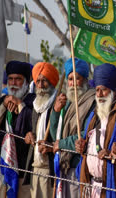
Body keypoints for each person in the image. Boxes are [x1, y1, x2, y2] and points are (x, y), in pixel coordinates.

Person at [75, 63, 116, 198]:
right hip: (90, 185)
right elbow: (87, 139)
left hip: (109, 186)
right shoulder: (94, 114)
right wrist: (82, 145)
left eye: (103, 90)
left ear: (113, 90)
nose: (99, 94)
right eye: (97, 90)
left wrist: (114, 151)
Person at [49, 58, 96, 198]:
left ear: (85, 80)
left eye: (77, 78)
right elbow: (55, 135)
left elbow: (87, 133)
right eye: (70, 79)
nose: (73, 83)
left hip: (79, 167)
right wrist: (56, 112)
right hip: (65, 166)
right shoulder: (68, 103)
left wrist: (62, 144)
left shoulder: (92, 100)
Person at [0, 61, 35, 198]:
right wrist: (4, 106)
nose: (13, 83)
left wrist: (21, 105)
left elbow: (33, 125)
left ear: (26, 82)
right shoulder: (3, 101)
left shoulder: (33, 102)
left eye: (18, 79)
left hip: (25, 173)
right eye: (11, 79)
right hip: (3, 171)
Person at [22, 62, 59, 198]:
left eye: (44, 81)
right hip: (34, 168)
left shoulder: (58, 106)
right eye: (38, 81)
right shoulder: (35, 105)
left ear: (52, 83)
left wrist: (51, 146)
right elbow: (30, 131)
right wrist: (29, 135)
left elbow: (61, 136)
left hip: (50, 170)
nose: (41, 85)